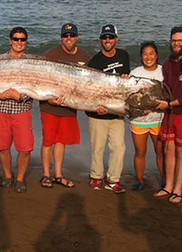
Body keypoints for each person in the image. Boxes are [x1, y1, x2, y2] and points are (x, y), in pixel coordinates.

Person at [38, 22, 90, 189]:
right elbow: (39, 79)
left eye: (72, 35)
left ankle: (58, 174)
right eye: (66, 36)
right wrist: (48, 99)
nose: (69, 38)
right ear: (61, 38)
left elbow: (89, 84)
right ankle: (46, 175)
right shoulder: (50, 54)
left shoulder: (84, 56)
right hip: (49, 107)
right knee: (48, 141)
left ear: (77, 37)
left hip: (69, 107)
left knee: (61, 141)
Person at [86, 24, 131, 193]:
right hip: (98, 113)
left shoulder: (124, 55)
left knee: (119, 148)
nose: (107, 40)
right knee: (97, 148)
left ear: (116, 39)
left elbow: (124, 85)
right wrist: (97, 107)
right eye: (104, 37)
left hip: (117, 113)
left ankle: (113, 180)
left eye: (111, 37)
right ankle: (96, 177)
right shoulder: (95, 61)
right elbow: (90, 88)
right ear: (100, 40)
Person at [153, 27, 182, 204]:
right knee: (167, 150)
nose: (176, 43)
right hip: (169, 114)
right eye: (173, 40)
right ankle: (168, 186)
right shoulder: (169, 63)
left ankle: (178, 189)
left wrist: (170, 104)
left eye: (180, 40)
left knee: (181, 153)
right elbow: (166, 89)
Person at [0, 27, 34, 193]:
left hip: (21, 109)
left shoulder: (32, 63)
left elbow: (37, 85)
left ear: (26, 42)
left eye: (22, 39)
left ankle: (20, 178)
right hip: (0, 108)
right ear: (10, 40)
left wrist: (20, 97)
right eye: (16, 39)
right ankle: (8, 176)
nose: (19, 42)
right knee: (3, 146)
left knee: (25, 147)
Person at [129, 41, 165, 190]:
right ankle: (139, 180)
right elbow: (129, 97)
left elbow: (169, 95)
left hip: (159, 120)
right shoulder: (135, 73)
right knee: (140, 152)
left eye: (151, 53)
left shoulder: (164, 72)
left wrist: (156, 106)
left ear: (156, 55)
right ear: (141, 56)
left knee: (160, 152)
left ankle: (166, 181)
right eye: (145, 54)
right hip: (139, 120)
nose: (148, 57)